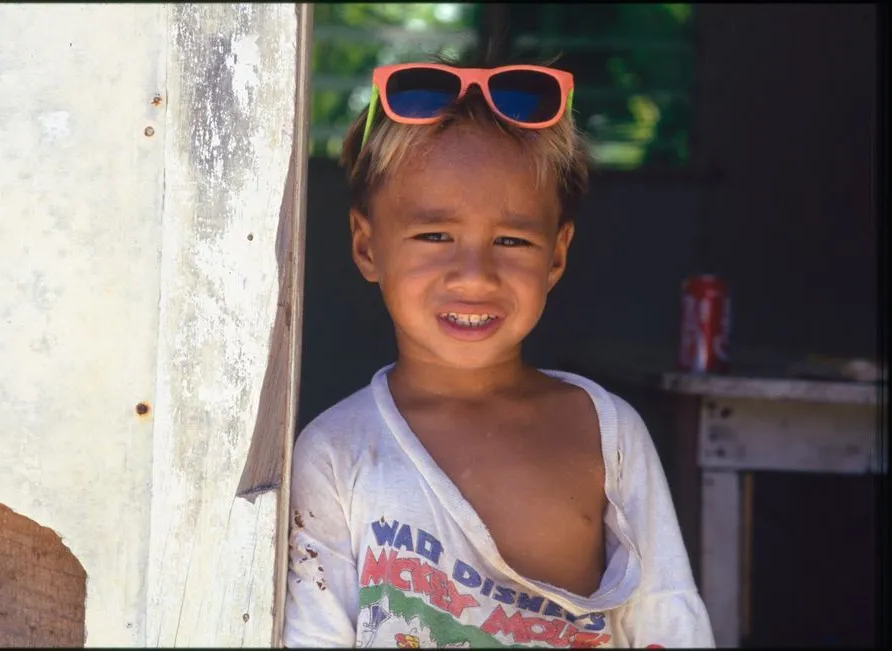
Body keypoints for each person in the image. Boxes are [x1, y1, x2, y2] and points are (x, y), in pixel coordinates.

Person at [283, 54, 714, 648]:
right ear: (367, 246)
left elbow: (667, 622)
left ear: (556, 255)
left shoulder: (606, 435)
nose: (474, 275)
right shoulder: (337, 453)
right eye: (434, 235)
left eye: (511, 240)